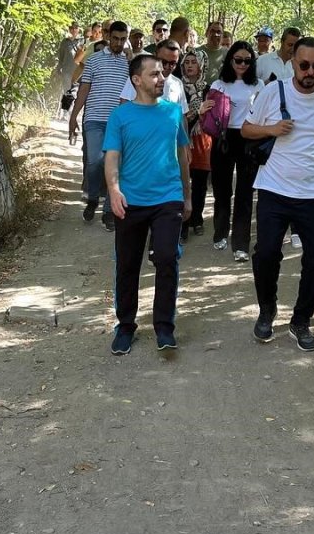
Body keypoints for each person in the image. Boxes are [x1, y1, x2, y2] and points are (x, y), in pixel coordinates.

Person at [242, 37, 314, 352]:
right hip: (274, 188)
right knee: (266, 254)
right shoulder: (272, 92)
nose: (310, 71)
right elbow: (247, 129)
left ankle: (301, 320)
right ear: (293, 62)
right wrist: (272, 129)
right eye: (304, 65)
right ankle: (267, 310)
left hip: (312, 192)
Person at [104, 54, 192, 354]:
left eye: (162, 73)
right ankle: (125, 326)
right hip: (130, 201)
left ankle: (164, 327)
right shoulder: (121, 116)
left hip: (168, 198)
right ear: (136, 80)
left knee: (167, 258)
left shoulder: (173, 113)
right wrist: (114, 190)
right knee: (127, 265)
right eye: (154, 74)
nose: (161, 78)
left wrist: (188, 195)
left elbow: (183, 156)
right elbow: (112, 156)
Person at [69, 21, 131, 231]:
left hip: (118, 122)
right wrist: (73, 116)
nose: (119, 43)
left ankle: (108, 211)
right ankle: (93, 197)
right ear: (108, 36)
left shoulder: (129, 64)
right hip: (94, 118)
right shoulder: (94, 60)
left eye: (123, 39)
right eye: (115, 38)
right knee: (94, 161)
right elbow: (84, 89)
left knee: (113, 165)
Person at [207, 41, 263, 262]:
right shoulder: (219, 84)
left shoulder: (258, 85)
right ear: (230, 60)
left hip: (248, 138)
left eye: (247, 61)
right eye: (238, 60)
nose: (242, 64)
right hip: (224, 139)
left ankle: (240, 244)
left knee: (245, 192)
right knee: (222, 190)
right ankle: (220, 232)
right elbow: (209, 113)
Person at [179, 50, 212, 240]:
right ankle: (182, 223)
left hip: (202, 141)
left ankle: (197, 218)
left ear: (201, 65)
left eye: (194, 62)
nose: (190, 65)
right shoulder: (176, 86)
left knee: (199, 184)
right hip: (182, 139)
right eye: (187, 62)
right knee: (183, 182)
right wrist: (195, 113)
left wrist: (201, 114)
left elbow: (212, 115)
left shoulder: (208, 89)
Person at [120, 39, 186, 110]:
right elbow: (124, 104)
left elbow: (182, 115)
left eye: (172, 63)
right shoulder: (140, 77)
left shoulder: (177, 83)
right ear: (155, 56)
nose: (167, 66)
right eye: (163, 62)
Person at [53, 22, 85, 115]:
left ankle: (74, 112)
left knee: (76, 91)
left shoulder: (82, 41)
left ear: (78, 29)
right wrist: (59, 67)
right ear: (69, 29)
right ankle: (65, 112)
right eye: (72, 28)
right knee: (67, 90)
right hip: (67, 70)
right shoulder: (65, 42)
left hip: (78, 71)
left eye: (76, 28)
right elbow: (61, 56)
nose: (74, 30)